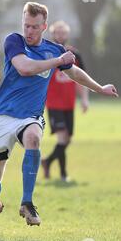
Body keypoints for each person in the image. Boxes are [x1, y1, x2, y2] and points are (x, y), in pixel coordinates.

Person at [0, 2, 118, 234]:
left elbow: (75, 73)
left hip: (30, 116)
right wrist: (59, 62)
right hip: (2, 117)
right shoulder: (14, 41)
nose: (28, 31)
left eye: (34, 27)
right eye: (26, 25)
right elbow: (24, 68)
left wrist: (98, 88)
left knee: (33, 138)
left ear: (44, 26)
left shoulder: (55, 49)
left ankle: (27, 203)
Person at [41, 20, 89, 182]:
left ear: (67, 34)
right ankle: (62, 174)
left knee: (67, 139)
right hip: (54, 103)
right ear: (52, 34)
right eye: (57, 32)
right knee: (62, 138)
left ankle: (47, 162)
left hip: (69, 103)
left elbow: (82, 79)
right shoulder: (47, 53)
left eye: (63, 32)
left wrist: (84, 99)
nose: (61, 35)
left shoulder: (75, 55)